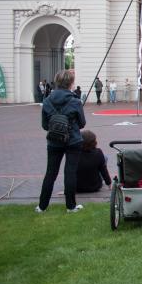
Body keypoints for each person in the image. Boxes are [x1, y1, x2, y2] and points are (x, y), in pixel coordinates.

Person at [36, 70, 87, 213]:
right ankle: (71, 206)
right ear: (70, 83)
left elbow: (45, 125)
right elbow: (82, 124)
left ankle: (42, 206)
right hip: (73, 140)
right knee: (70, 173)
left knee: (50, 173)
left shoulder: (47, 101)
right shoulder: (75, 101)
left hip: (54, 141)